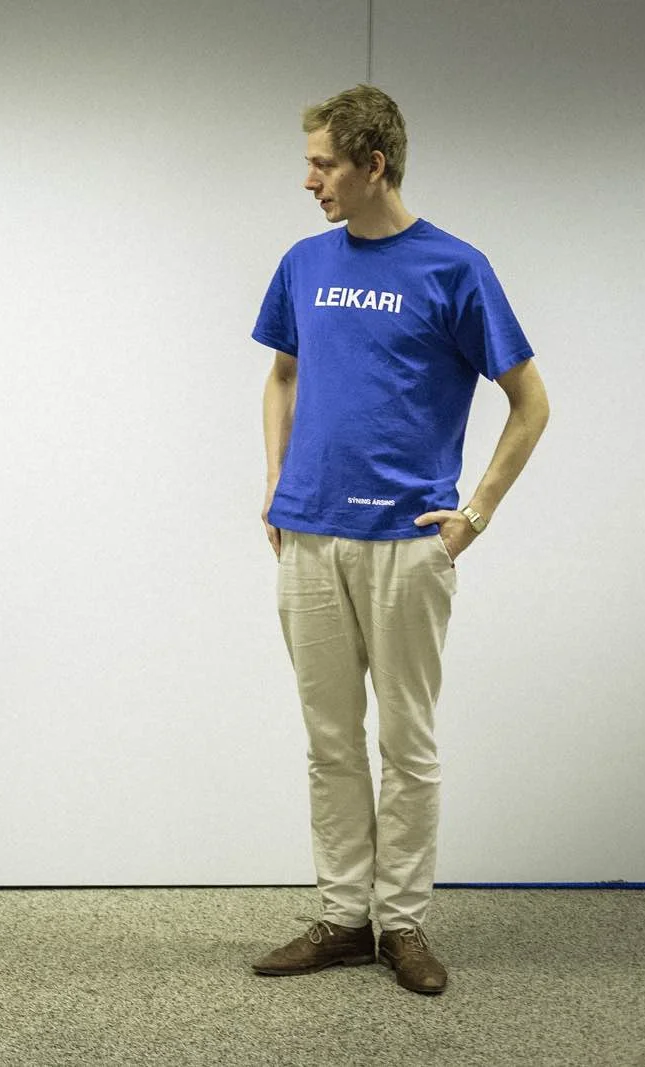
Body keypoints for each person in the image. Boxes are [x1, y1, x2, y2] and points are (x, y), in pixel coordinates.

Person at [250, 86, 549, 994]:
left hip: (408, 544)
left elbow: (530, 402)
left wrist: (474, 514)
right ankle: (345, 917)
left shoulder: (455, 268)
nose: (309, 181)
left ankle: (403, 923)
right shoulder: (304, 262)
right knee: (330, 740)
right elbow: (283, 376)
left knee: (407, 743)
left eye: (324, 164)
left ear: (374, 164)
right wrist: (276, 482)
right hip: (309, 538)